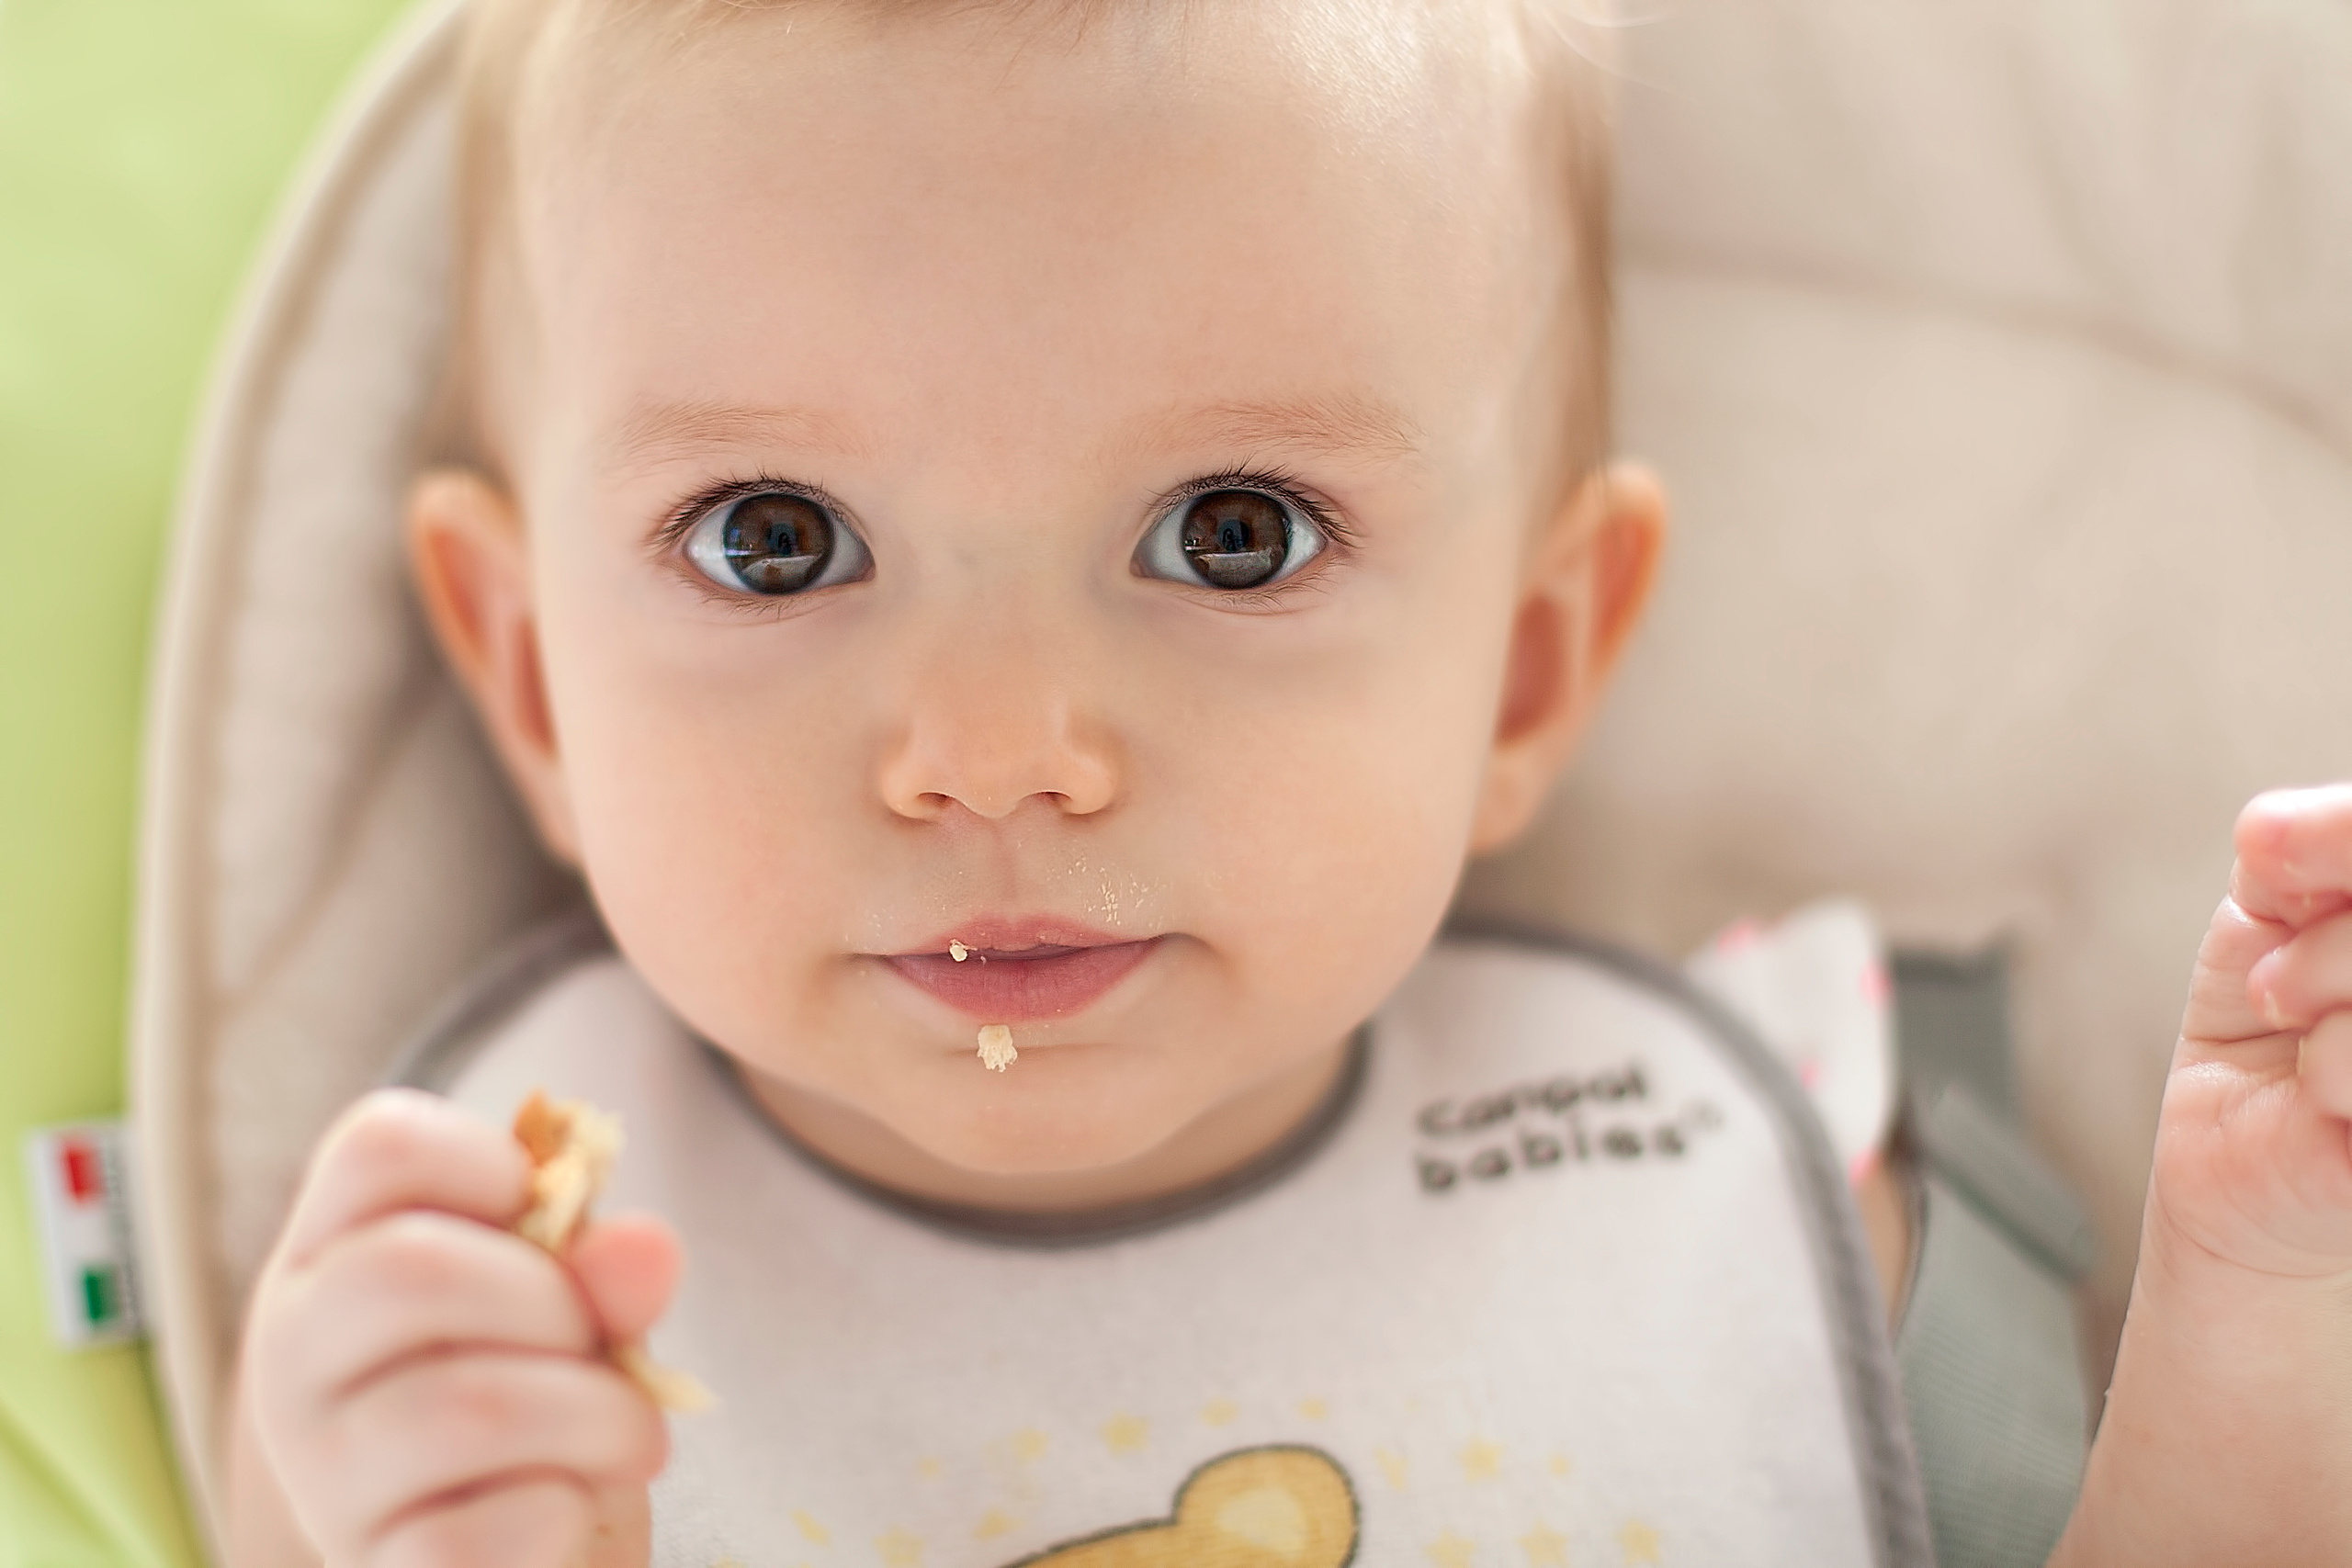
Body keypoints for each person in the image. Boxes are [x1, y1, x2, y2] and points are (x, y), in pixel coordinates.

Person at [222, 1, 2352, 1562]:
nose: (997, 752)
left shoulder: (1705, 1162)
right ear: (522, 672)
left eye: (1230, 532)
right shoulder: (485, 1316)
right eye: (771, 539)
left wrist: (2253, 1314)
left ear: (1523, 665)